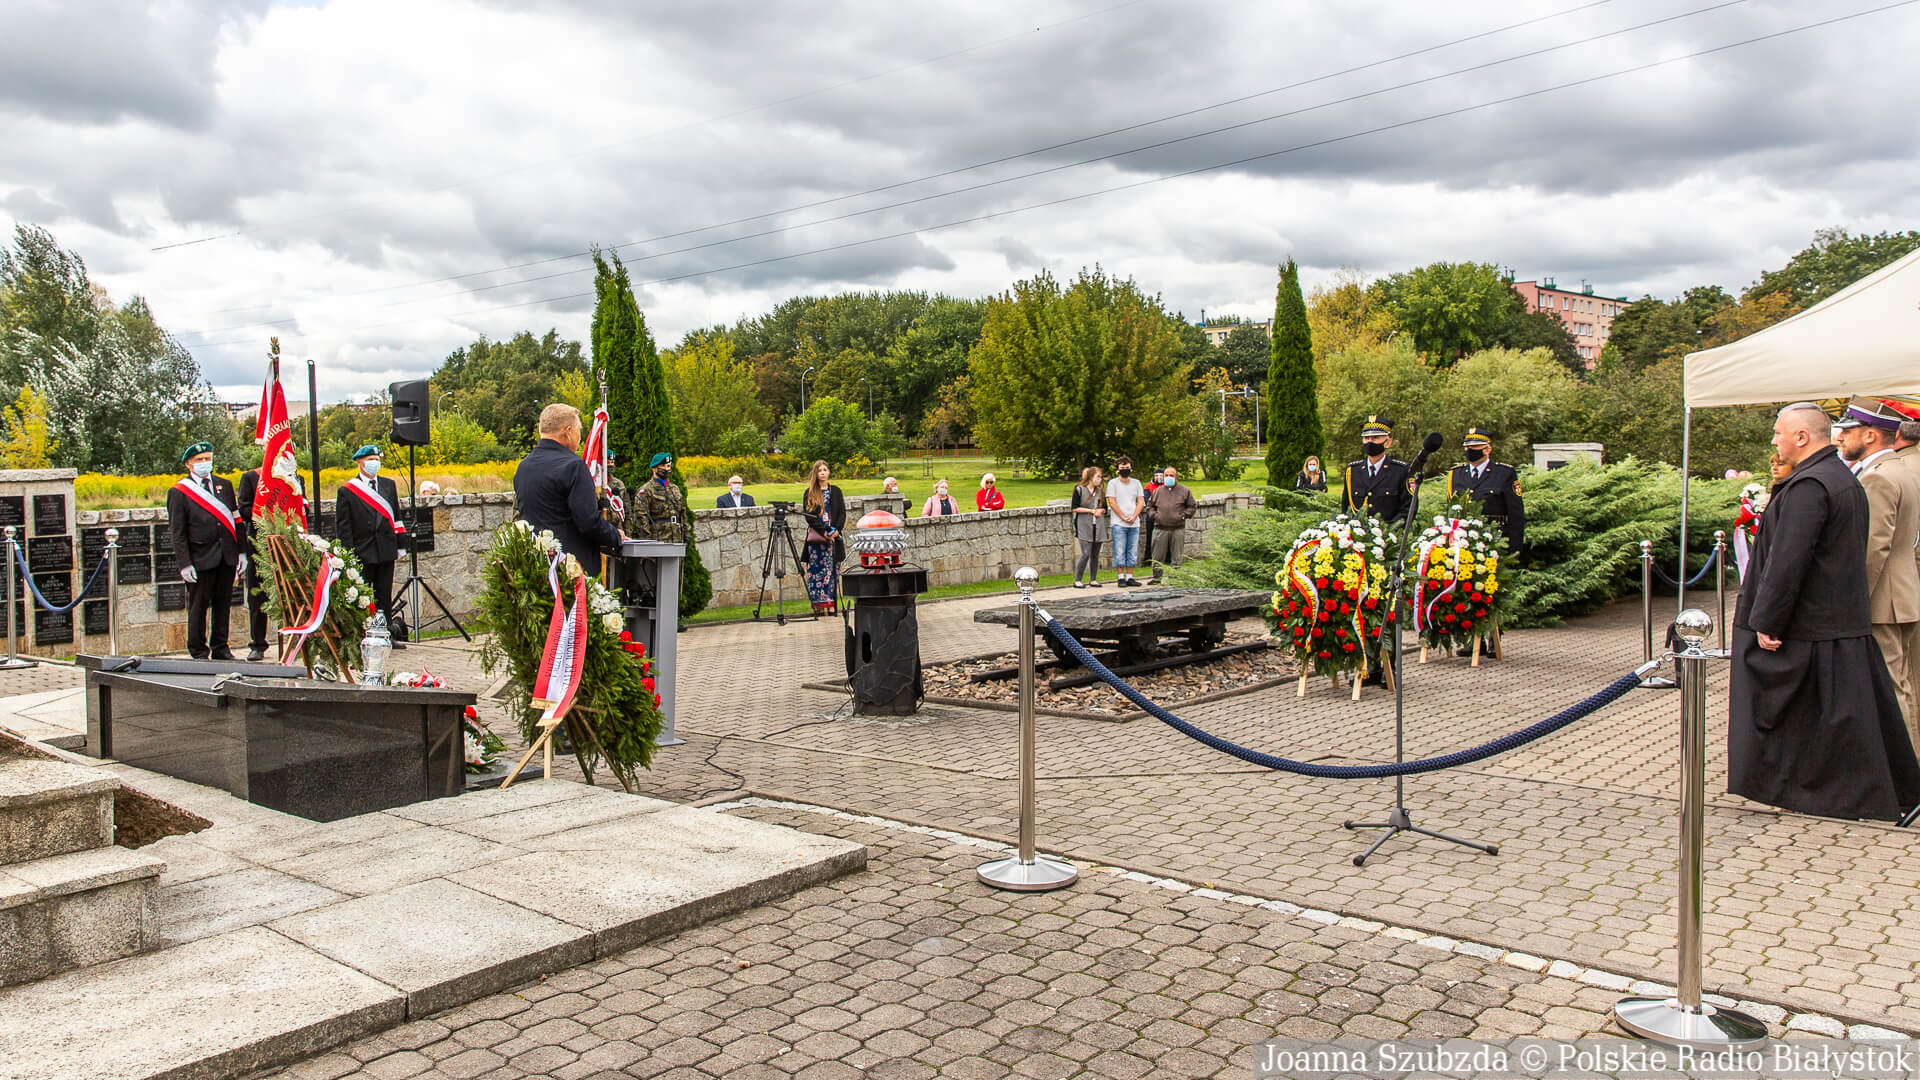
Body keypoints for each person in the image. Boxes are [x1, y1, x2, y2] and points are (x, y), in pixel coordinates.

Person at [1727, 401, 1920, 822]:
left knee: (1820, 719)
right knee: (1843, 718)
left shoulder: (1812, 485)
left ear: (1801, 437)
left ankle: (1827, 793)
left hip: (1812, 624)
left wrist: (1767, 618)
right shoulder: (1838, 478)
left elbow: (1789, 558)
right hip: (1831, 622)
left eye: (1779, 433)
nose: (1774, 441)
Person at [1836, 396, 1920, 741]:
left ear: (1870, 435)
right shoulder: (1898, 468)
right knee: (1901, 684)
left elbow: (1873, 549)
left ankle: (1904, 768)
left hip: (1883, 600)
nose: (1841, 437)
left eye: (1848, 430)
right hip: (1899, 594)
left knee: (1890, 689)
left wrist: (1854, 602)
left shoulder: (1879, 477)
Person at [513, 404, 625, 577]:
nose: (580, 437)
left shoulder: (524, 467)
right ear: (568, 431)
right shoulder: (574, 466)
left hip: (536, 568)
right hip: (571, 570)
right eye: (579, 430)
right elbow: (588, 523)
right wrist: (616, 536)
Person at [167, 441, 244, 662]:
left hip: (226, 555)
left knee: (223, 604)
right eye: (200, 460)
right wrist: (184, 563)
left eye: (208, 458)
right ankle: (198, 650)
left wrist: (241, 552)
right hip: (200, 557)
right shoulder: (179, 492)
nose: (205, 463)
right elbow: (177, 532)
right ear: (188, 464)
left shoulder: (224, 486)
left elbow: (236, 520)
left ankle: (221, 647)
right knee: (198, 607)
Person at [236, 452, 306, 662]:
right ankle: (258, 644)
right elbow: (244, 509)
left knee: (293, 595)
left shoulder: (295, 477)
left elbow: (302, 507)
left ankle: (295, 641)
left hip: (289, 545)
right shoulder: (251, 477)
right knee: (258, 598)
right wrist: (268, 512)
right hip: (260, 546)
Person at [336, 445, 408, 647]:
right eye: (370, 459)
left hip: (385, 549)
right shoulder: (347, 490)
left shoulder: (388, 485)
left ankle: (386, 636)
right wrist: (348, 555)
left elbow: (396, 517)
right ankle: (362, 637)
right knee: (362, 597)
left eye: (377, 459)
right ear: (359, 462)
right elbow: (344, 527)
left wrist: (400, 544)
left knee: (384, 596)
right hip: (362, 551)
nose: (374, 463)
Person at [1446, 428, 1525, 552]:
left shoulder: (1504, 473)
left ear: (1487, 449)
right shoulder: (1456, 474)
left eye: (1475, 447)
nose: (1469, 450)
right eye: (1467, 447)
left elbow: (1516, 514)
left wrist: (1514, 550)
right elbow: (1450, 511)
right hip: (1461, 542)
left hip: (1495, 542)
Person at [1346, 416, 1412, 525]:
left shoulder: (1401, 471)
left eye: (1375, 438)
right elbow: (1346, 508)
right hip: (1357, 533)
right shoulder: (1352, 471)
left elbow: (1407, 510)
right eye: (1366, 438)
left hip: (1390, 533)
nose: (1370, 442)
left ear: (1388, 442)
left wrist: (1387, 531)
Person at [800, 460, 845, 614]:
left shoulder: (836, 491)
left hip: (833, 539)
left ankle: (831, 604)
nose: (823, 473)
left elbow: (842, 513)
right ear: (816, 474)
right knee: (816, 573)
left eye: (825, 470)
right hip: (817, 540)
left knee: (832, 572)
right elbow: (809, 517)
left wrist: (836, 530)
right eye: (820, 470)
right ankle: (818, 606)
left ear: (829, 472)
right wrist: (824, 532)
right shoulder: (810, 492)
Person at [1146, 465, 1197, 583]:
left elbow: (1192, 507)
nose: (1168, 477)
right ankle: (1157, 578)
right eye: (1166, 475)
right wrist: (1155, 516)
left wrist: (1183, 515)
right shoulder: (1157, 491)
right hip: (1160, 528)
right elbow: (1149, 507)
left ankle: (1174, 577)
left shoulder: (1185, 491)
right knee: (1157, 555)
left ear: (1176, 477)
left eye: (1171, 475)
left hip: (1177, 528)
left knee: (1177, 556)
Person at [1105, 456, 1146, 587]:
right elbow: (1112, 502)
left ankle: (1130, 577)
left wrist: (1134, 516)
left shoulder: (1136, 483)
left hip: (1134, 523)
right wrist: (1123, 517)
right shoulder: (1113, 483)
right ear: (1118, 469)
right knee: (1119, 550)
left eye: (1127, 467)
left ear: (1131, 468)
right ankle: (1120, 577)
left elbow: (1141, 501)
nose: (1125, 470)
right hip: (1118, 523)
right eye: (1122, 468)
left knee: (1132, 550)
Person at [634, 453, 691, 544]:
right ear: (654, 468)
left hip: (677, 538)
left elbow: (682, 513)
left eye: (668, 466)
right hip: (658, 539)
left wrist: (686, 534)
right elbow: (641, 517)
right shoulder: (646, 490)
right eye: (663, 466)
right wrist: (647, 540)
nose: (667, 469)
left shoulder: (674, 488)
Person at [1070, 465, 1108, 588]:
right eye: (1098, 476)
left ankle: (1093, 579)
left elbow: (1105, 508)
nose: (1100, 479)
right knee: (1086, 553)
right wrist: (1091, 511)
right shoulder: (1079, 490)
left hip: (1098, 525)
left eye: (1101, 477)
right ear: (1091, 477)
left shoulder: (1100, 492)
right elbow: (1075, 508)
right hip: (1084, 525)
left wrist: (1100, 511)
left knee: (1095, 554)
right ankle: (1078, 579)